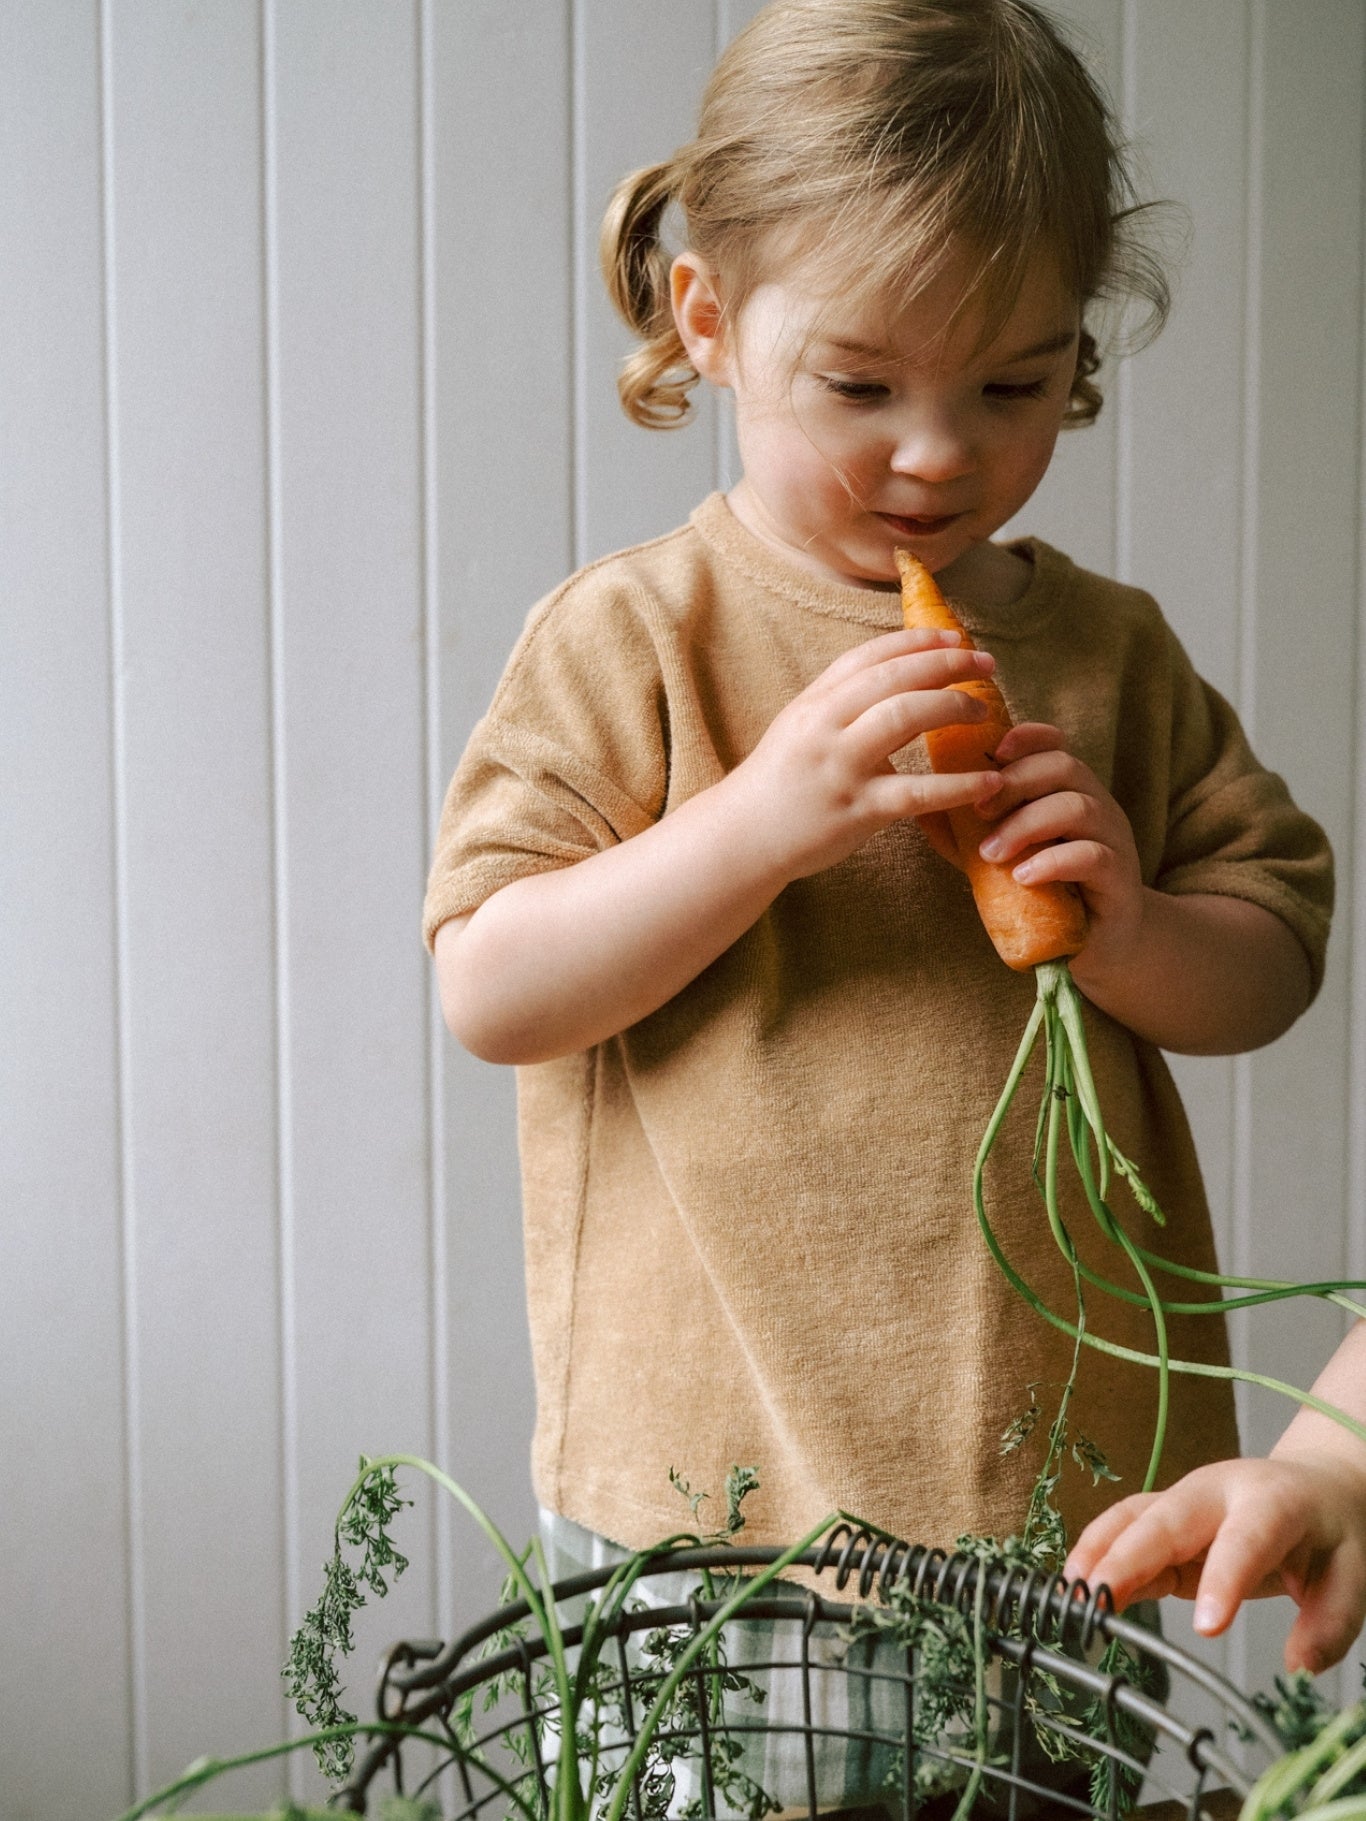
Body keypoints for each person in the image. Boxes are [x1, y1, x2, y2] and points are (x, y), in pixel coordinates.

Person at [425, 0, 1365, 1750]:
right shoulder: (640, 637)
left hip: (1055, 1488)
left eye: (1012, 383)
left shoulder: (1107, 653)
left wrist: (1136, 925)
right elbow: (492, 982)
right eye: (859, 386)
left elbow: (1273, 956)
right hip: (716, 1498)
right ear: (707, 319)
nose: (937, 450)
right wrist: (765, 815)